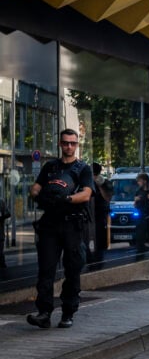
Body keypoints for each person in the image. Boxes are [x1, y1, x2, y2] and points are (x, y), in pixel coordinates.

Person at [26, 129, 94, 329]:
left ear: (77, 145)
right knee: (46, 269)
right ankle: (44, 313)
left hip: (72, 224)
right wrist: (38, 196)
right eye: (65, 143)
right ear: (60, 144)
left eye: (72, 143)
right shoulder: (50, 166)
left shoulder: (83, 169)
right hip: (50, 224)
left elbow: (87, 194)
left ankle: (68, 312)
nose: (69, 147)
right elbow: (35, 188)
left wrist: (66, 198)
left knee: (72, 270)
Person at [88, 162, 112, 272]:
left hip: (100, 216)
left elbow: (107, 198)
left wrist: (99, 185)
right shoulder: (87, 182)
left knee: (100, 240)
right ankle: (90, 261)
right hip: (89, 215)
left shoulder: (104, 183)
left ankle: (98, 263)